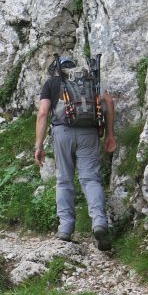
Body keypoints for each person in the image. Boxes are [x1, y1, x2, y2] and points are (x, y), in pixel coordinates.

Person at [35, 56, 117, 250]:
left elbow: (43, 113)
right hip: (89, 132)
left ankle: (65, 228)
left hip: (62, 132)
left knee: (64, 179)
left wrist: (38, 145)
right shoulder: (91, 81)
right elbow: (109, 103)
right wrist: (110, 135)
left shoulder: (53, 83)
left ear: (57, 70)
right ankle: (99, 223)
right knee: (91, 180)